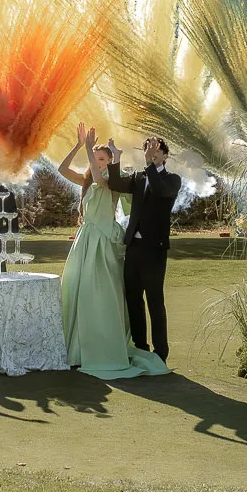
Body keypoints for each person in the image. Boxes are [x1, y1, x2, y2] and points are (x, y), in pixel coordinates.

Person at [55, 124, 167, 380]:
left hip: (103, 240)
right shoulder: (87, 179)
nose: (97, 162)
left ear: (109, 161)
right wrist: (78, 145)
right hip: (85, 239)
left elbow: (100, 180)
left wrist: (91, 150)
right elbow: (62, 170)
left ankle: (102, 345)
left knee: (100, 293)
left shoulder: (113, 181)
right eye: (95, 158)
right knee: (78, 290)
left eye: (102, 159)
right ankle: (77, 348)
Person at [107, 134, 182, 362]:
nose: (151, 154)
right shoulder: (139, 177)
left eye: (156, 151)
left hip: (154, 249)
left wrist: (150, 163)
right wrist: (116, 158)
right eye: (148, 150)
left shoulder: (172, 180)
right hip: (134, 246)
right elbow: (115, 184)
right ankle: (141, 347)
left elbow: (160, 191)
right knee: (133, 299)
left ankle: (160, 353)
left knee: (155, 302)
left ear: (165, 156)